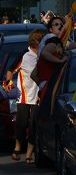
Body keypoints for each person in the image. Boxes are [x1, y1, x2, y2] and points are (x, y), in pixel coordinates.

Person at [12, 29, 45, 162]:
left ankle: (28, 154)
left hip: (38, 97)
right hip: (24, 96)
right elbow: (10, 71)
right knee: (21, 123)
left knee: (34, 125)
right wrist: (8, 82)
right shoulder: (24, 56)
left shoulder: (44, 56)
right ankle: (17, 148)